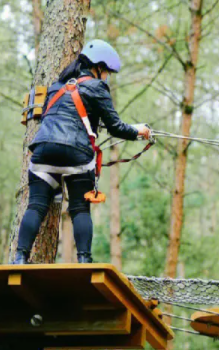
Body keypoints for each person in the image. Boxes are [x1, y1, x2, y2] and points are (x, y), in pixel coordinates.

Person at [12, 40, 151, 264]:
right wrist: (139, 131)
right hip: (75, 155)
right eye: (106, 72)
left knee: (36, 205)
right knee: (79, 208)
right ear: (98, 67)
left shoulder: (56, 88)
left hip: (43, 153)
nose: (106, 76)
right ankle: (84, 261)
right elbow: (116, 127)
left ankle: (19, 257)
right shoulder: (97, 87)